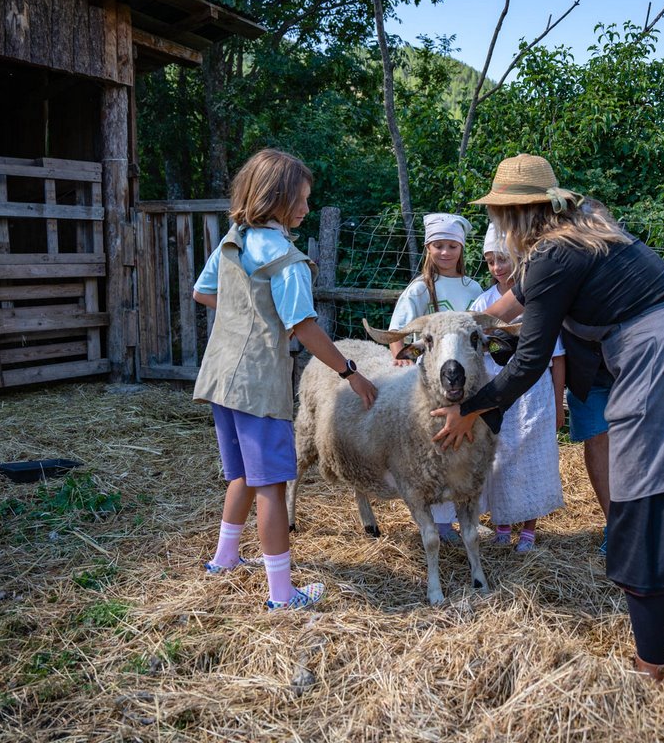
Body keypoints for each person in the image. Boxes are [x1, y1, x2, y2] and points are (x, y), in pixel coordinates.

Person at [432, 154, 664, 682]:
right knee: (646, 490)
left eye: (497, 215)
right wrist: (462, 325)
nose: (495, 225)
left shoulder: (554, 253)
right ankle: (653, 646)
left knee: (644, 493)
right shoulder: (580, 228)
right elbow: (514, 302)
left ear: (516, 215)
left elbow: (531, 360)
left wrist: (469, 409)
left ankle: (653, 664)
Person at [192, 148, 377, 611]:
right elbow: (305, 329)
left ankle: (224, 559)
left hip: (219, 377)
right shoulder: (286, 261)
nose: (306, 209)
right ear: (276, 197)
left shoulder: (232, 240)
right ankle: (281, 594)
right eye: (301, 199)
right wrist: (349, 372)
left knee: (242, 476)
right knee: (272, 485)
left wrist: (246, 313)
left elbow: (202, 292)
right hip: (256, 384)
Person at [470, 223, 566, 553]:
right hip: (498, 390)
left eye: (504, 259)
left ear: (520, 259)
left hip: (535, 391)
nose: (498, 267)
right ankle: (500, 525)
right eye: (491, 261)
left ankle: (528, 530)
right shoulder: (483, 303)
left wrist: (557, 402)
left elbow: (557, 356)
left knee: (530, 458)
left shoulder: (538, 297)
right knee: (498, 456)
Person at [388, 212, 483, 542]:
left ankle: (467, 515)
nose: (445, 253)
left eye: (452, 246)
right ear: (429, 249)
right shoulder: (419, 290)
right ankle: (440, 523)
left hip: (468, 381)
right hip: (432, 387)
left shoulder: (473, 288)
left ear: (461, 248)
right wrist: (398, 358)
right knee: (437, 449)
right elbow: (398, 328)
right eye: (439, 246)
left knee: (468, 448)